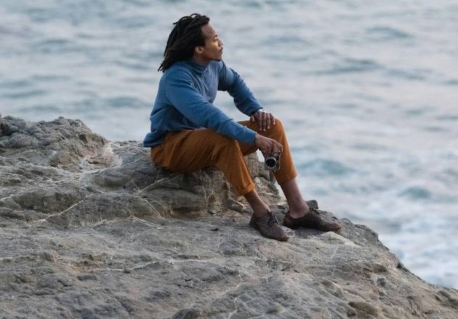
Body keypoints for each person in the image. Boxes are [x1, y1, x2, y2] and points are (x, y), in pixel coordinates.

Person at [144, 13, 340, 240]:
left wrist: (256, 111)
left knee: (272, 126)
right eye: (215, 38)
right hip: (171, 147)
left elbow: (235, 82)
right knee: (221, 136)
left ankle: (298, 210)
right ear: (198, 49)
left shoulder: (213, 66)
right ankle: (260, 213)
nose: (221, 42)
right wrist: (254, 139)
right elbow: (211, 117)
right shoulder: (176, 79)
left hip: (200, 140)